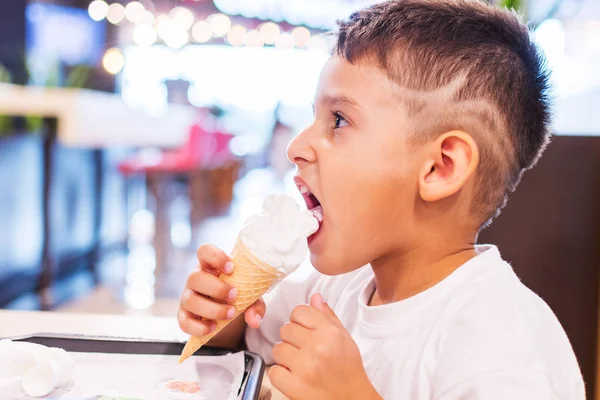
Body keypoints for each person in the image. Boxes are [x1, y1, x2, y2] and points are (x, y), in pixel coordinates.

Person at [177, 0, 585, 398]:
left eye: (339, 120)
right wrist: (222, 312)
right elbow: (244, 345)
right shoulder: (334, 290)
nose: (297, 146)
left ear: (439, 168)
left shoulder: (506, 347)